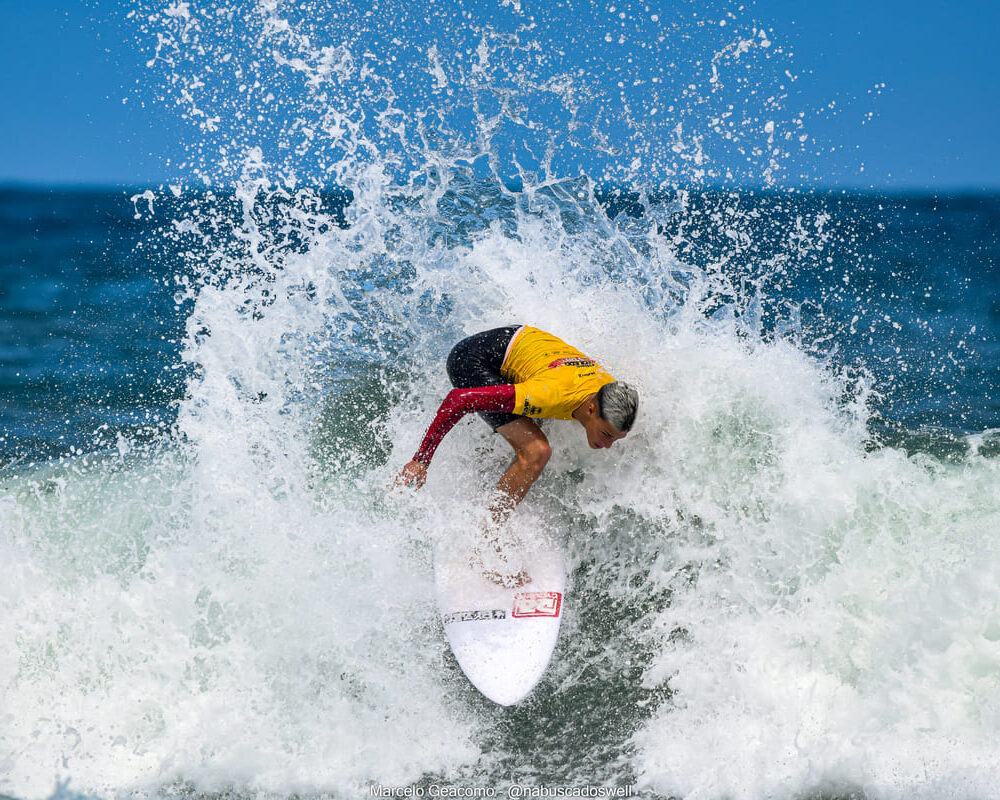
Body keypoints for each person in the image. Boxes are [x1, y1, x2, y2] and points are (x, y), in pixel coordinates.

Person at [394, 325, 639, 585]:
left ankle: (500, 473)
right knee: (537, 450)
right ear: (591, 409)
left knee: (532, 425)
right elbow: (459, 400)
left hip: (521, 344)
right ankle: (481, 547)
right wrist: (421, 459)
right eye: (607, 434)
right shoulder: (550, 395)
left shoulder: (607, 389)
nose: (608, 444)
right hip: (472, 360)